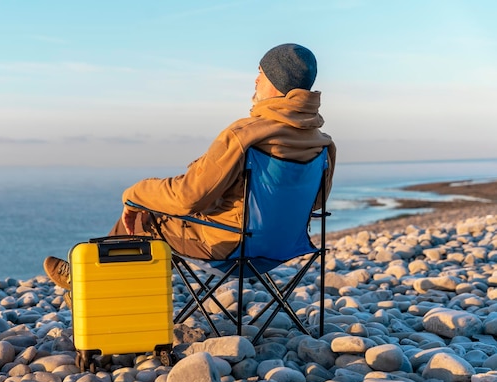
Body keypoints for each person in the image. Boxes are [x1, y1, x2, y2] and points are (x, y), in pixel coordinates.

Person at [43, 43, 336, 298]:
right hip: (283, 248)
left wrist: (134, 194)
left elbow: (188, 197)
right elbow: (317, 204)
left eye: (260, 72)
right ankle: (104, 292)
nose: (255, 80)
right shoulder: (322, 144)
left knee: (147, 217)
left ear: (275, 80)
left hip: (229, 247)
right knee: (158, 216)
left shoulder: (245, 134)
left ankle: (89, 286)